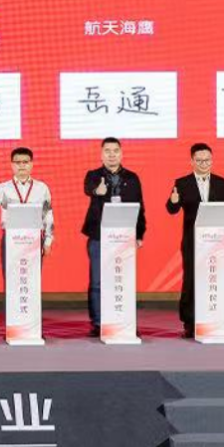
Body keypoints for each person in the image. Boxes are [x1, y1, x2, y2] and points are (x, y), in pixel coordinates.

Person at [81, 137, 147, 337]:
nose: (111, 155)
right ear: (101, 154)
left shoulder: (132, 178)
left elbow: (140, 207)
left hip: (124, 237)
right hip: (98, 235)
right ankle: (98, 323)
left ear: (121, 153)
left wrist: (139, 234)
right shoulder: (93, 175)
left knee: (123, 280)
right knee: (97, 281)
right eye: (107, 151)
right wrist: (97, 190)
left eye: (115, 151)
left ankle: (124, 321)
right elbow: (88, 188)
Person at [166, 142, 224, 338]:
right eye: (200, 160)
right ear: (192, 161)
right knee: (191, 280)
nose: (204, 164)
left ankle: (215, 319)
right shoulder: (182, 183)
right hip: (192, 241)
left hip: (216, 242)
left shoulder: (221, 183)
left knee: (214, 278)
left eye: (207, 160)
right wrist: (173, 201)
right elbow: (171, 209)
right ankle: (189, 322)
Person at [0, 147, 54, 277]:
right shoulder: (3, 188)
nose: (22, 165)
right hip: (11, 237)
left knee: (33, 279)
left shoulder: (42, 188)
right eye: (17, 162)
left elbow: (48, 215)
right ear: (12, 165)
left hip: (34, 238)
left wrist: (48, 241)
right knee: (10, 279)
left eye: (25, 162)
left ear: (32, 164)